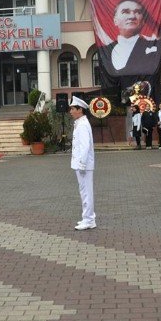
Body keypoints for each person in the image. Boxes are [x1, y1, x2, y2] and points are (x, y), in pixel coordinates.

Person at [100, 0, 160, 76]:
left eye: (137, 12)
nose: (132, 16)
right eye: (125, 12)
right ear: (115, 20)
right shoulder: (106, 51)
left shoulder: (153, 46)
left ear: (143, 21)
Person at [69, 96, 96, 230]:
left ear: (80, 110)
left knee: (86, 192)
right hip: (81, 163)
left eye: (73, 109)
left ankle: (89, 219)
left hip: (83, 164)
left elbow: (85, 146)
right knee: (84, 191)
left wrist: (82, 164)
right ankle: (88, 218)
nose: (71, 111)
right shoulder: (80, 122)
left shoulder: (83, 124)